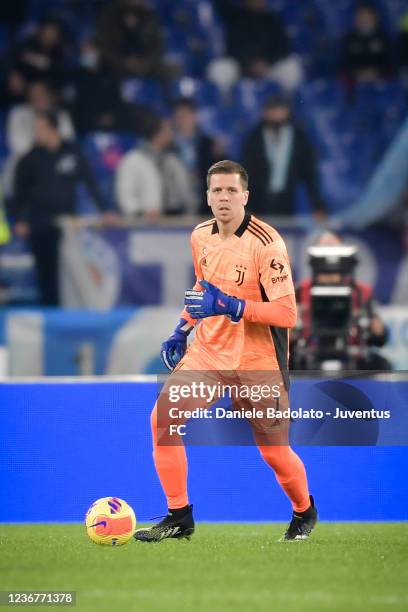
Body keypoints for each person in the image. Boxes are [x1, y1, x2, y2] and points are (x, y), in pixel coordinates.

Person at [134, 160, 318, 543]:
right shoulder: (200, 235)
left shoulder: (268, 244)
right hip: (210, 355)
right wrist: (182, 327)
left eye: (231, 191)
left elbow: (287, 314)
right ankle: (179, 514)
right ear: (207, 196)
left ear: (245, 196)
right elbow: (204, 287)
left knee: (274, 453)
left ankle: (304, 510)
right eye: (216, 190)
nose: (223, 198)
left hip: (258, 361)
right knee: (162, 420)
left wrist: (233, 307)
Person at [12, 110, 114, 306]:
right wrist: (20, 219)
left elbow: (90, 181)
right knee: (46, 273)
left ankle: (71, 314)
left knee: (72, 273)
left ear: (53, 129)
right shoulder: (29, 159)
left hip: (67, 224)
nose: (36, 133)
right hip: (40, 223)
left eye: (40, 129)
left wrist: (105, 209)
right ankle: (49, 315)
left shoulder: (72, 153)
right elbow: (19, 193)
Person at [290, 231, 390, 370]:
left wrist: (374, 326)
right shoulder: (298, 292)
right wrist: (290, 326)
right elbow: (284, 341)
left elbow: (380, 339)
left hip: (352, 355)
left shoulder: (362, 292)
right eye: (325, 250)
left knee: (382, 365)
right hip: (309, 356)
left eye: (334, 250)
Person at [242, 96, 326, 218]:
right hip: (258, 201)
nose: (277, 114)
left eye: (280, 110)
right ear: (265, 113)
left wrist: (317, 205)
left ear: (287, 112)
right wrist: (245, 205)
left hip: (287, 200)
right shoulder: (254, 138)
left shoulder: (298, 137)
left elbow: (309, 173)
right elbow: (246, 172)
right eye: (273, 110)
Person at [115, 115, 197, 217]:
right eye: (168, 131)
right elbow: (126, 195)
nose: (171, 135)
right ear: (157, 134)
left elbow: (186, 191)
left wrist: (189, 211)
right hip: (145, 224)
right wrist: (140, 214)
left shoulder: (173, 160)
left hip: (176, 220)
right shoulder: (132, 160)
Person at [5, 80, 75, 195]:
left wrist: (45, 143)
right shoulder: (18, 114)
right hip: (26, 167)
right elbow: (18, 145)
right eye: (34, 94)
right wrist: (48, 140)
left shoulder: (61, 115)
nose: (38, 97)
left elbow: (67, 144)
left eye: (42, 94)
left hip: (55, 169)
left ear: (49, 96)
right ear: (28, 97)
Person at [171, 98, 225, 213]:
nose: (182, 121)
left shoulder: (209, 145)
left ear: (194, 117)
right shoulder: (169, 146)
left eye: (186, 116)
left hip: (203, 202)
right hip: (177, 202)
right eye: (178, 117)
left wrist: (220, 155)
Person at [95, 0, 165, 78]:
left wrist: (143, 63)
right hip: (112, 69)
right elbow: (103, 46)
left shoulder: (150, 16)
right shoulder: (110, 15)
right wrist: (123, 61)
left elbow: (157, 47)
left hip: (145, 70)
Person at [340, 4, 393, 84]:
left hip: (380, 79)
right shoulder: (349, 38)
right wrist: (359, 73)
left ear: (375, 18)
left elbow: (389, 60)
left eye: (367, 17)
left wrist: (375, 72)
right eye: (361, 17)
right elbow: (344, 61)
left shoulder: (383, 37)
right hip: (355, 79)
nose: (364, 20)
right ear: (355, 19)